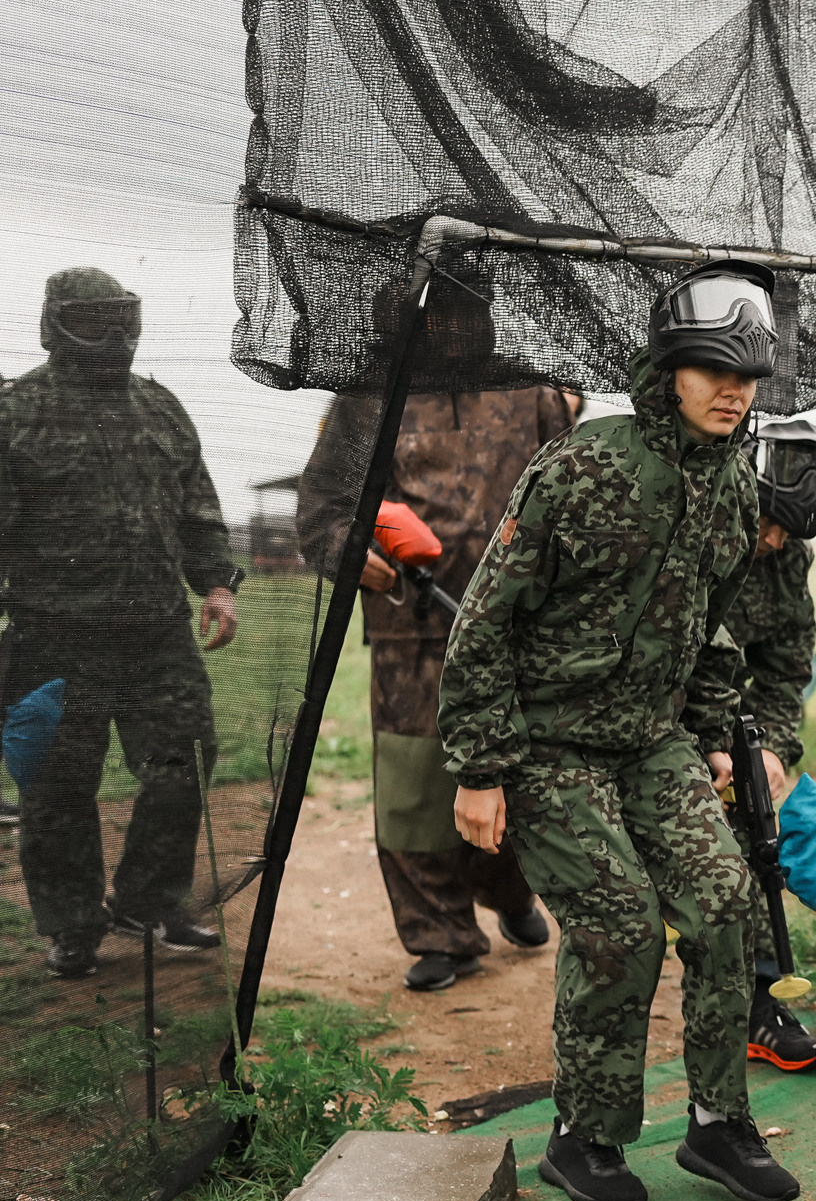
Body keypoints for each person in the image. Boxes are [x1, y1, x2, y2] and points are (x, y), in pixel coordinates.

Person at [439, 258, 799, 1201]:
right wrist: (481, 772)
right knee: (622, 928)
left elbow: (716, 624)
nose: (735, 393)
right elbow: (487, 619)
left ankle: (720, 1124)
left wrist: (713, 734)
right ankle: (585, 1137)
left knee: (728, 906)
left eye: (750, 376)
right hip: (549, 747)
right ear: (667, 368)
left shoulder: (735, 489)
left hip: (652, 743)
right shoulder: (582, 464)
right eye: (715, 371)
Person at [296, 277, 577, 991]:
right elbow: (324, 509)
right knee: (416, 788)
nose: (451, 329)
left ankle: (511, 892)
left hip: (518, 627)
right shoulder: (368, 401)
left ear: (483, 316)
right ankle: (440, 935)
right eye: (436, 315)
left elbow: (574, 494)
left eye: (463, 312)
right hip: (410, 632)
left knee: (516, 773)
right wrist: (351, 551)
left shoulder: (531, 391)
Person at [0, 268, 242, 979]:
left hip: (156, 633)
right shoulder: (17, 414)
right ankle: (72, 927)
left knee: (184, 764)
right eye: (96, 322)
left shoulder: (159, 407)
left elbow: (198, 510)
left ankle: (150, 900)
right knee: (54, 787)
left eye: (121, 320)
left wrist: (219, 587)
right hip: (52, 637)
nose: (115, 336)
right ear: (58, 324)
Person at [717, 414, 816, 1073]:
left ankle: (759, 1003)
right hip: (644, 721)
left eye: (788, 531)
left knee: (756, 839)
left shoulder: (787, 556)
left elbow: (788, 668)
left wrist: (772, 751)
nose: (772, 540)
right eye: (766, 524)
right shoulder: (688, 531)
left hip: (729, 727)